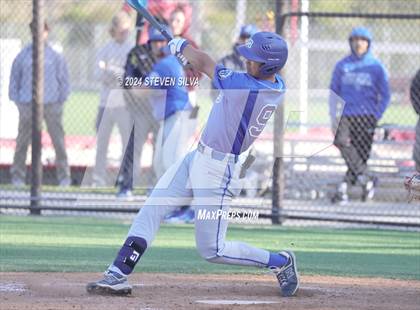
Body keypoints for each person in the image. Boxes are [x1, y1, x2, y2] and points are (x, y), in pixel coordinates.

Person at [86, 31, 299, 297]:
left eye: (253, 59)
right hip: (197, 157)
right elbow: (206, 67)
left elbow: (206, 63)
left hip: (219, 172)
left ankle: (281, 262)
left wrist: (183, 47)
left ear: (269, 64)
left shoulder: (248, 88)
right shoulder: (273, 82)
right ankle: (118, 272)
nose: (246, 61)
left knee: (213, 250)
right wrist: (188, 57)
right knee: (152, 208)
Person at [329, 27, 390, 203]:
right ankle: (368, 176)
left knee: (362, 155)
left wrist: (376, 115)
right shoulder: (342, 65)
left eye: (362, 40)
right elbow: (334, 92)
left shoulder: (376, 67)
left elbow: (385, 95)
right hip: (346, 115)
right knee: (340, 142)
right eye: (355, 39)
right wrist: (333, 116)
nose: (358, 43)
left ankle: (347, 186)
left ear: (368, 43)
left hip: (367, 116)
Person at [9, 20, 71, 187]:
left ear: (46, 32)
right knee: (22, 142)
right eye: (35, 31)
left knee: (58, 142)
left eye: (42, 30)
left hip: (51, 104)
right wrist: (19, 102)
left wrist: (60, 102)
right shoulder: (22, 56)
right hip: (28, 104)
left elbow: (64, 81)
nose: (39, 34)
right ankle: (18, 177)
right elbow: (14, 80)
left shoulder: (55, 56)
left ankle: (64, 177)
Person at [92, 12, 133, 187]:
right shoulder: (105, 49)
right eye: (122, 30)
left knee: (127, 143)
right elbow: (96, 74)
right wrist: (115, 73)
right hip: (105, 103)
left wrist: (110, 69)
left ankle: (124, 177)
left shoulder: (131, 49)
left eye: (127, 30)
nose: (125, 34)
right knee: (102, 144)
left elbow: (129, 77)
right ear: (114, 30)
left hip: (124, 103)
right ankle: (98, 179)